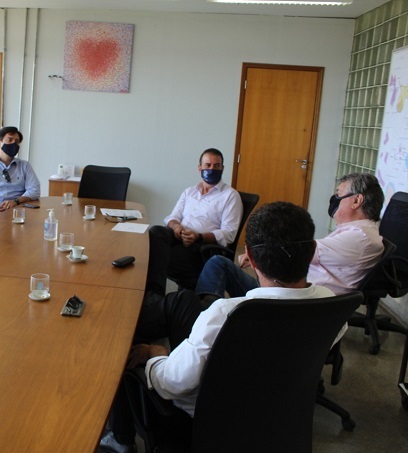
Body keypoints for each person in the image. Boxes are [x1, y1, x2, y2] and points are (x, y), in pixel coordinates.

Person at [100, 201, 333, 453]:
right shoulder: (331, 304)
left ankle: (120, 439)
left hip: (202, 425)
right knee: (185, 301)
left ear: (250, 257)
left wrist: (156, 355)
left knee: (121, 341)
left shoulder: (226, 314)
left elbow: (173, 384)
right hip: (277, 418)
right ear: (312, 250)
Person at [195, 173, 384, 306]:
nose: (334, 199)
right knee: (218, 263)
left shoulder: (359, 237)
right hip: (290, 291)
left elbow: (297, 249)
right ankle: (206, 304)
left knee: (218, 265)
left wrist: (256, 254)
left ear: (356, 201)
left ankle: (203, 312)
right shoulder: (357, 232)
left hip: (288, 301)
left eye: (339, 194)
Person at [146, 148, 242, 294]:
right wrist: (177, 227)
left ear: (222, 168)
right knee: (155, 232)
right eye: (207, 165)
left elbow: (229, 234)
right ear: (200, 168)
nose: (212, 169)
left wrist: (198, 236)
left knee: (161, 256)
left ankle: (156, 295)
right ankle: (156, 294)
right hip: (180, 236)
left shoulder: (230, 196)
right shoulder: (189, 192)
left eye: (216, 166)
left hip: (203, 246)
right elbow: (172, 217)